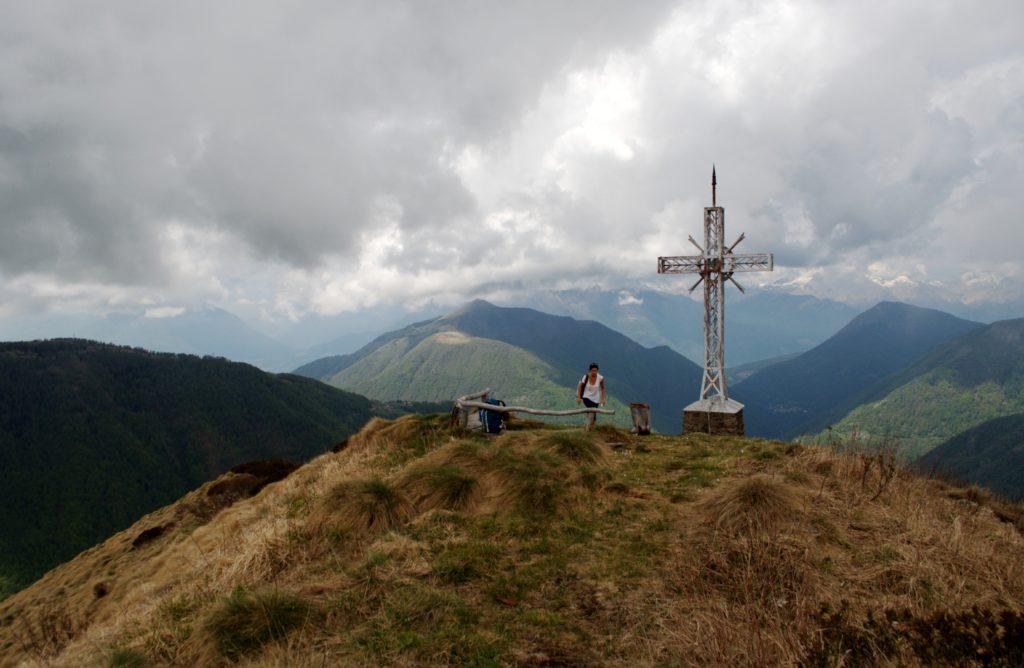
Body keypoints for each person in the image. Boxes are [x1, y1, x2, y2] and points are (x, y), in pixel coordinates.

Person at [576, 362, 606, 431]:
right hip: (586, 397)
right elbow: (580, 386)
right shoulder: (586, 377)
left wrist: (603, 399)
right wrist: (578, 397)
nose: (594, 372)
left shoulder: (600, 378)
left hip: (596, 399)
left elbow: (603, 388)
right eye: (592, 370)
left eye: (595, 370)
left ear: (597, 370)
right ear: (590, 370)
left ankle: (591, 427)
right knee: (591, 409)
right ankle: (588, 428)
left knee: (593, 413)